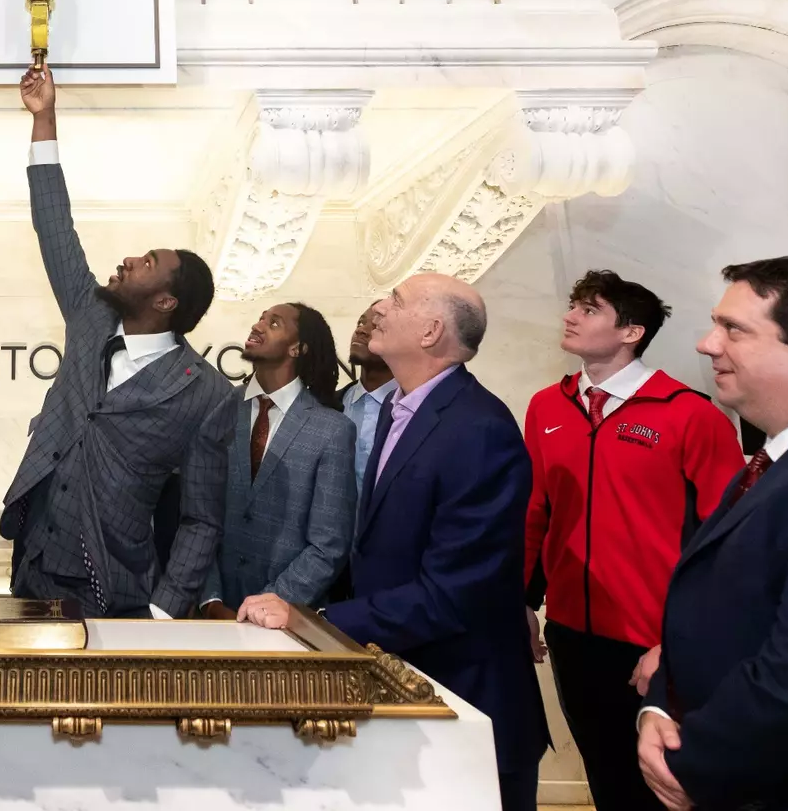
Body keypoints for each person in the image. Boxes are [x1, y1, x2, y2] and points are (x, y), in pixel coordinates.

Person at [239, 274, 549, 811]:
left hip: (463, 705)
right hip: (401, 691)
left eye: (397, 301)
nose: (380, 307)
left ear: (430, 332)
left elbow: (453, 593)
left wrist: (313, 619)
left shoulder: (480, 429)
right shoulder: (395, 410)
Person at [637, 258, 788, 811]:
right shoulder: (782, 458)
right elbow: (713, 610)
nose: (705, 343)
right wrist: (658, 708)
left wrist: (687, 760)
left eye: (734, 329)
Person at [2, 65, 235, 619]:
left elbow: (202, 518)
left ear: (167, 302)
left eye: (149, 262)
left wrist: (165, 610)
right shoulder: (90, 315)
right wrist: (45, 119)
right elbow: (54, 225)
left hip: (114, 587)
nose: (131, 259)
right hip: (30, 563)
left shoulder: (207, 394)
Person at [524, 270, 743, 811]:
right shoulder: (547, 407)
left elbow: (732, 540)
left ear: (632, 331)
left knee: (668, 786)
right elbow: (534, 512)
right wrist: (522, 602)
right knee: (605, 774)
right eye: (573, 305)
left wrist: (678, 643)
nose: (570, 317)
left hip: (656, 639)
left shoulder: (690, 413)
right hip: (573, 634)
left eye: (590, 309)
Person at [200, 303, 356, 618]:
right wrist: (210, 600)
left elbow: (328, 546)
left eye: (274, 323)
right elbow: (197, 517)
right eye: (260, 318)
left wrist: (271, 603)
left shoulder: (333, 430)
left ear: (297, 347)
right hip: (211, 615)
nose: (258, 326)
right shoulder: (219, 410)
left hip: (287, 619)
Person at [341, 305, 396, 494]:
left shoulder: (416, 412)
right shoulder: (331, 405)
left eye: (376, 325)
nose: (360, 330)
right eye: (360, 322)